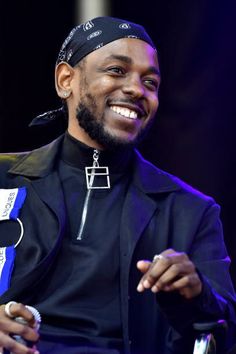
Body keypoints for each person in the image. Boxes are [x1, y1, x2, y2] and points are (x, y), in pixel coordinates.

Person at [0, 16, 235, 354]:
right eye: (116, 71)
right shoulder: (4, 178)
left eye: (150, 82)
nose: (136, 90)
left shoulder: (190, 211)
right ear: (66, 79)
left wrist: (199, 297)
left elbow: (224, 335)